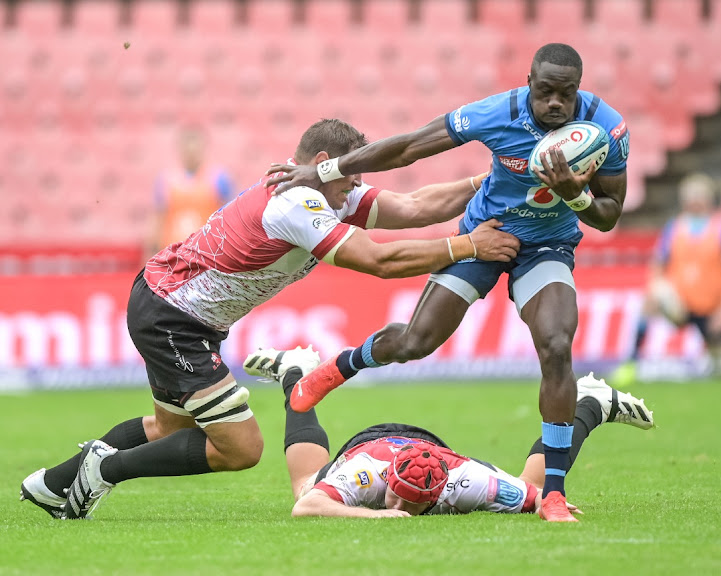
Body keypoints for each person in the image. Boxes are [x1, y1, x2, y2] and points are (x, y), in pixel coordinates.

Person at [19, 119, 519, 520]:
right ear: (324, 164)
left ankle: (50, 484)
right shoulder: (298, 201)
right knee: (241, 448)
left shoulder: (327, 192)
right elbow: (378, 262)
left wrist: (489, 181)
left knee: (167, 429)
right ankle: (106, 470)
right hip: (173, 317)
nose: (358, 189)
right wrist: (470, 245)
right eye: (354, 175)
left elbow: (412, 206)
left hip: (170, 305)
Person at [264, 43, 631, 521]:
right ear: (528, 83)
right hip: (486, 234)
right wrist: (325, 170)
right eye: (545, 92)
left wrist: (575, 197)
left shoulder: (608, 129)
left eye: (565, 94)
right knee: (415, 342)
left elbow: (609, 214)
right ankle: (338, 367)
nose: (555, 104)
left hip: (548, 245)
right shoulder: (498, 113)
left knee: (557, 345)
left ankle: (555, 494)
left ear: (578, 90)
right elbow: (411, 146)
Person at [243, 347, 654, 520]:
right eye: (397, 499)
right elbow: (308, 508)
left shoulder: (466, 482)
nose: (399, 507)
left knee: (530, 486)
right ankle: (295, 370)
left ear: (438, 496)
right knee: (305, 487)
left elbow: (541, 496)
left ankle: (589, 404)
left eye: (408, 505)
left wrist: (549, 502)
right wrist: (374, 514)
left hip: (433, 449)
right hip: (372, 446)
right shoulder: (364, 474)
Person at [612, 173, 721, 385]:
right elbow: (658, 264)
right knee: (650, 300)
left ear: (708, 199)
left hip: (709, 308)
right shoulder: (674, 228)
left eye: (699, 196)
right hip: (679, 303)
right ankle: (631, 362)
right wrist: (654, 290)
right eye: (690, 196)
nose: (694, 201)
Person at [145, 125, 234, 259]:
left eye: (195, 148)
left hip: (208, 254)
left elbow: (229, 218)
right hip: (173, 253)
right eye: (187, 148)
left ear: (203, 148)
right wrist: (150, 253)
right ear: (180, 149)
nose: (191, 152)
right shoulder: (166, 179)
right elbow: (158, 218)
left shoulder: (219, 178)